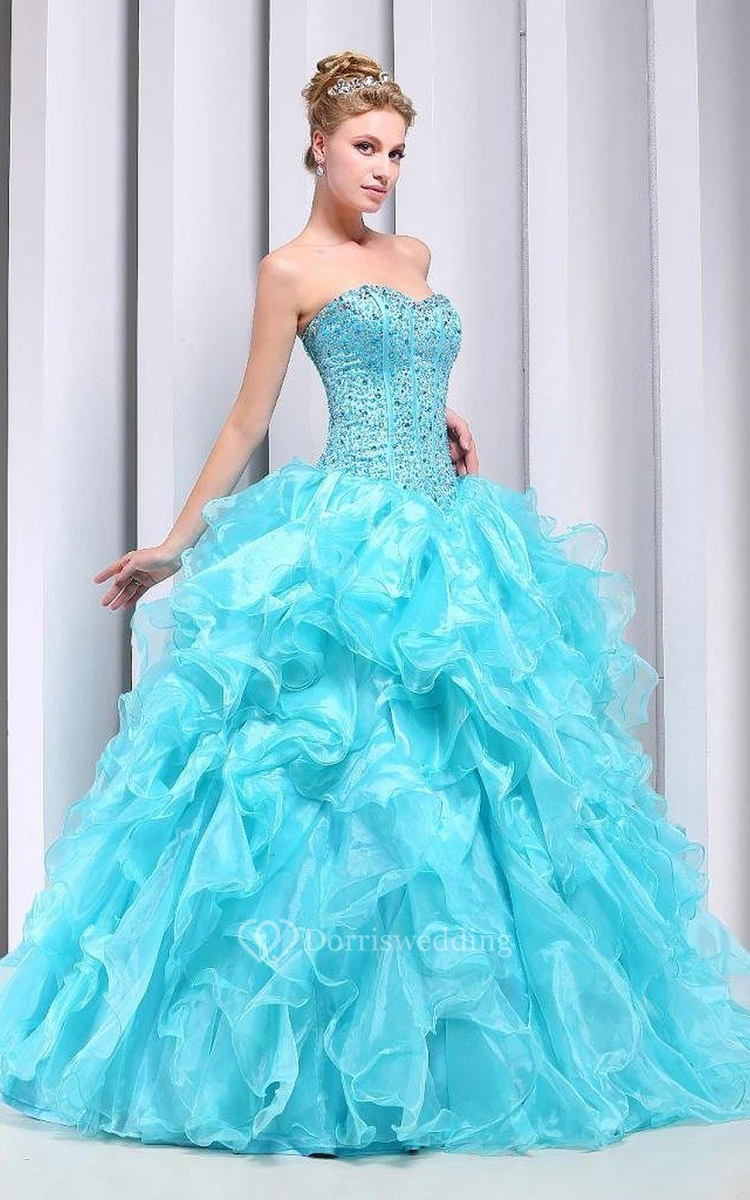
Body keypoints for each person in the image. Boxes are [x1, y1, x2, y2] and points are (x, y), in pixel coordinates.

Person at [2, 48, 750, 1162]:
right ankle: (323, 1054)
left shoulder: (414, 255)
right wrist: (174, 545)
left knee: (484, 773)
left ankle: (464, 1040)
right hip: (349, 540)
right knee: (341, 780)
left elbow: (410, 362)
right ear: (318, 146)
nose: (384, 170)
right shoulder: (289, 271)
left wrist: (440, 415)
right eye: (365, 147)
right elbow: (248, 420)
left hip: (452, 533)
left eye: (397, 152)